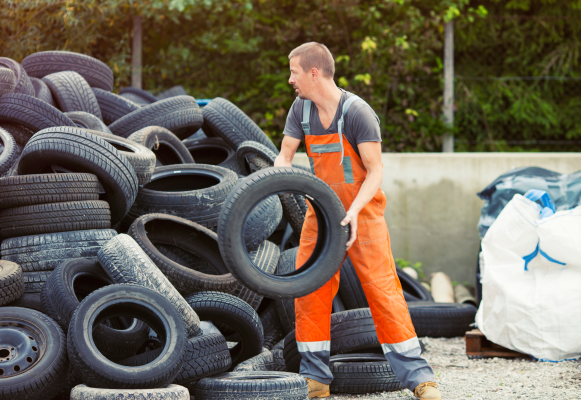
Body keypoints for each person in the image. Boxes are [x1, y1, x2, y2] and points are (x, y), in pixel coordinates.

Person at [273, 42, 441, 400]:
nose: (291, 79)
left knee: (383, 292)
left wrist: (353, 211)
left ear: (314, 73)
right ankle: (316, 380)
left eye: (294, 72)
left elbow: (376, 170)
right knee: (309, 292)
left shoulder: (357, 112)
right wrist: (272, 183)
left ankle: (420, 380)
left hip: (363, 215)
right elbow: (284, 157)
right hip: (321, 218)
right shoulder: (300, 110)